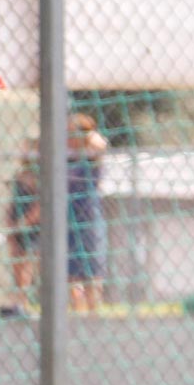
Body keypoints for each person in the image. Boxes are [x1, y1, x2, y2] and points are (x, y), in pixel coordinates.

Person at [66, 113, 108, 313]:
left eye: (71, 133)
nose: (68, 137)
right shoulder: (66, 158)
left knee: (91, 271)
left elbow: (100, 144)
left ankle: (93, 314)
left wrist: (87, 133)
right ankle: (77, 313)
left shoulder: (90, 155)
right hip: (67, 219)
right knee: (70, 273)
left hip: (88, 218)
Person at [4, 139, 41, 317]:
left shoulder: (38, 176)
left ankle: (24, 302)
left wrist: (23, 223)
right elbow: (13, 202)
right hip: (17, 223)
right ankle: (17, 302)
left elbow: (38, 207)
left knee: (27, 263)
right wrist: (10, 224)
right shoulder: (21, 174)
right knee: (17, 264)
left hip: (30, 225)